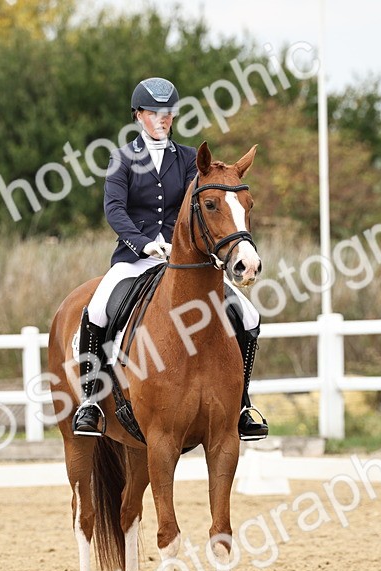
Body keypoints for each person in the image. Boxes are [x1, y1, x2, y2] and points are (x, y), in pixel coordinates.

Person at [72, 77, 268, 441]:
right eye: (153, 113)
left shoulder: (190, 159)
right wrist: (143, 243)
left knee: (249, 315)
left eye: (167, 113)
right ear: (138, 115)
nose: (161, 119)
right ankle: (90, 402)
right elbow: (114, 210)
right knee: (97, 310)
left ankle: (242, 404)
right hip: (136, 259)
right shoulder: (122, 159)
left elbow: (201, 205)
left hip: (185, 259)